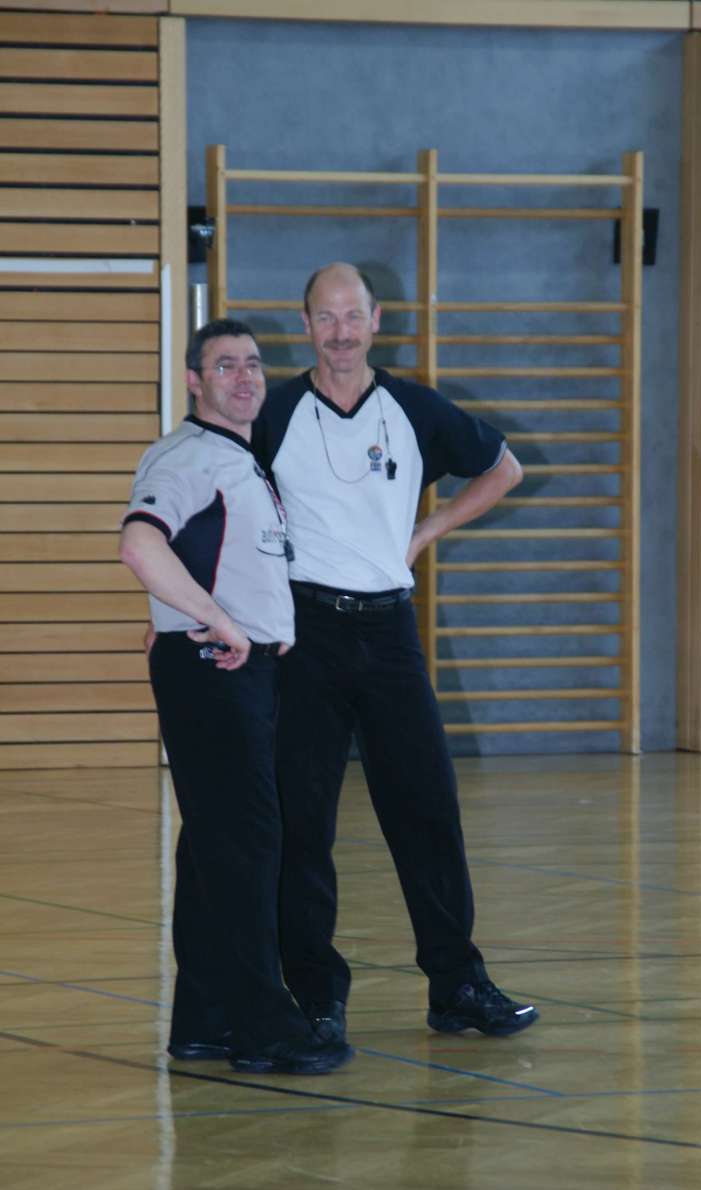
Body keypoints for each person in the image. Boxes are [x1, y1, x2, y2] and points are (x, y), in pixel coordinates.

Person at [252, 263, 540, 1043]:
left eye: (353, 316)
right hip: (304, 637)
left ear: (377, 321)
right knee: (303, 822)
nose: (340, 333)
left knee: (427, 809)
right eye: (325, 317)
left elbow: (504, 468)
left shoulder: (412, 409)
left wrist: (424, 534)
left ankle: (456, 986)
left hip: (388, 636)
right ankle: (314, 995)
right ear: (306, 324)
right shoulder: (274, 414)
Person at [120, 318, 353, 1075]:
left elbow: (196, 556)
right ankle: (264, 1027)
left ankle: (206, 1018)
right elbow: (140, 543)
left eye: (253, 364)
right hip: (216, 666)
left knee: (214, 847)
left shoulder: (237, 459)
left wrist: (179, 615)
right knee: (248, 845)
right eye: (225, 366)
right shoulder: (191, 456)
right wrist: (210, 619)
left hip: (234, 669)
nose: (245, 377)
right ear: (194, 380)